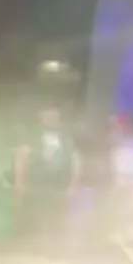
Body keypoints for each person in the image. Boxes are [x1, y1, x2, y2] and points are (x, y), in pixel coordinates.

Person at [14, 107, 81, 252]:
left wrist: (73, 184)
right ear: (41, 116)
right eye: (47, 115)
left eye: (54, 115)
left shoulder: (66, 138)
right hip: (38, 183)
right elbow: (21, 158)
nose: (51, 118)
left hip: (59, 183)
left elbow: (76, 160)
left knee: (58, 216)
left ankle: (57, 249)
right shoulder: (32, 136)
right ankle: (40, 248)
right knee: (40, 216)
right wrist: (20, 183)